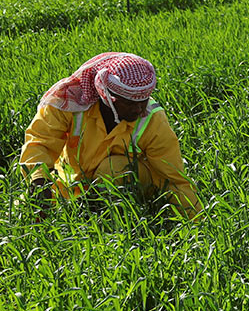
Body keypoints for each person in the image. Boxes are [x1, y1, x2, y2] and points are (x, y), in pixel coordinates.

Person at [19, 52, 202, 218]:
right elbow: (40, 142)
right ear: (106, 95)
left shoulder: (153, 120)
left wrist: (197, 221)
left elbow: (173, 177)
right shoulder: (69, 105)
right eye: (129, 103)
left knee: (113, 168)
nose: (139, 109)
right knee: (25, 207)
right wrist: (38, 181)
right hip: (72, 182)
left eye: (143, 100)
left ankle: (109, 218)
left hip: (130, 183)